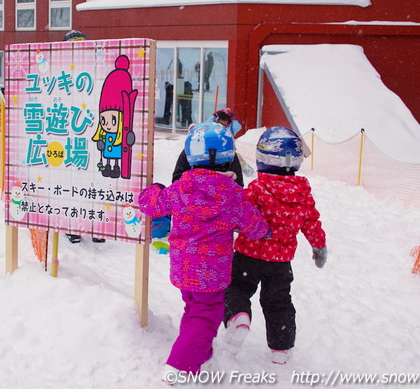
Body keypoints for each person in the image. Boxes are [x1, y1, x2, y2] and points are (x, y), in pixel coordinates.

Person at [138, 122, 269, 383]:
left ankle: (200, 354)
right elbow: (254, 226)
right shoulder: (232, 195)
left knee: (193, 310)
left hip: (183, 268)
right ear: (229, 157)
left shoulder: (181, 189)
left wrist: (152, 189)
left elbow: (151, 205)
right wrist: (266, 230)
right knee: (205, 318)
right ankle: (179, 366)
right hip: (212, 274)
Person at [223, 126, 327, 365]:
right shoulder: (302, 193)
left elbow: (240, 213)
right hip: (280, 263)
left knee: (236, 288)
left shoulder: (257, 189)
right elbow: (312, 222)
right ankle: (281, 349)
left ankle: (238, 317)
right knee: (278, 302)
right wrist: (319, 246)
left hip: (248, 256)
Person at [59, 29, 106, 244]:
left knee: (94, 181)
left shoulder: (96, 69)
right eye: (74, 46)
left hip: (93, 134)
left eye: (82, 46)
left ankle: (95, 225)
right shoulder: (59, 72)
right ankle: (73, 225)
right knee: (71, 182)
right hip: (69, 136)